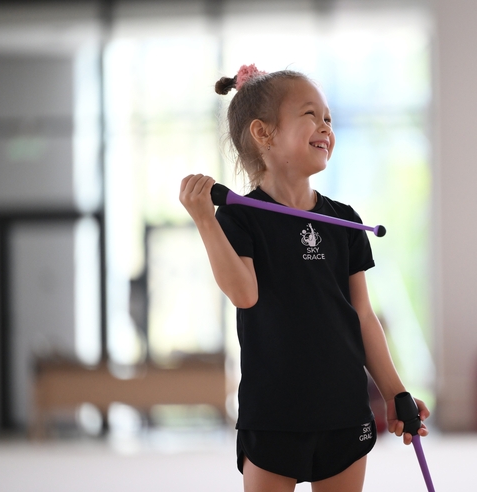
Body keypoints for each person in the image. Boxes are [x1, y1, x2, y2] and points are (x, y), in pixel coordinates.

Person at [179, 63, 429, 492]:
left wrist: (394, 392)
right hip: (274, 414)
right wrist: (206, 220)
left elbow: (363, 317)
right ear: (264, 133)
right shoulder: (238, 217)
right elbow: (244, 293)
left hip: (344, 410)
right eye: (311, 114)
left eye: (328, 118)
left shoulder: (345, 222)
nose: (325, 126)